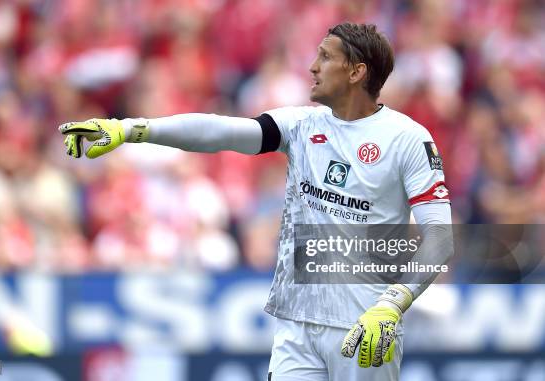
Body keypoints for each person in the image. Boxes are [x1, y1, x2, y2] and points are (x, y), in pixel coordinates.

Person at [59, 22, 453, 381]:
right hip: (296, 325)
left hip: (366, 324)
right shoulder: (301, 124)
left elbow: (440, 239)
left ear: (356, 72)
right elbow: (221, 131)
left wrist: (392, 305)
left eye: (326, 57)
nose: (313, 67)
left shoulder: (408, 139)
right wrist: (131, 128)